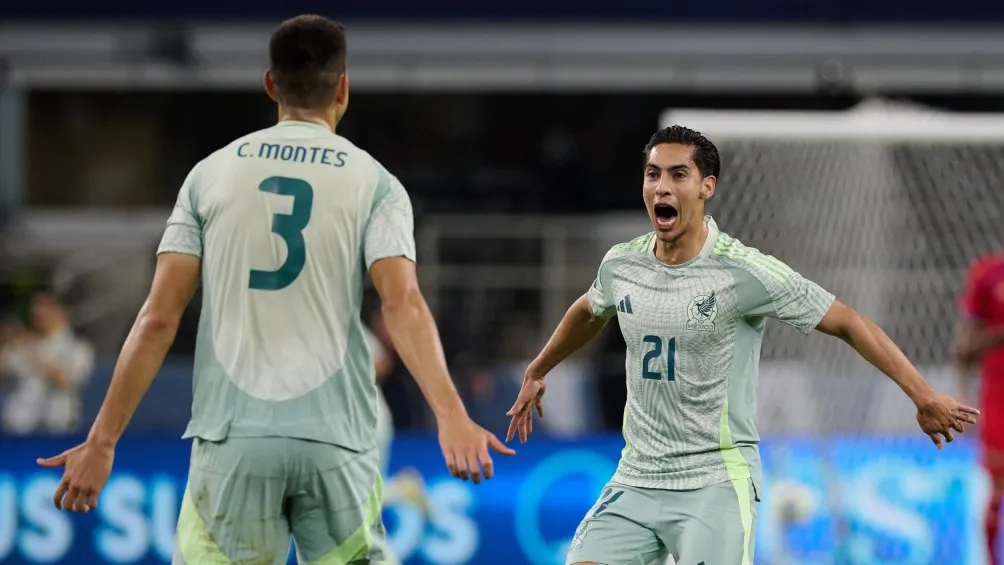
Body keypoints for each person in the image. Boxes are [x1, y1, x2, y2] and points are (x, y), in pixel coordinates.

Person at [36, 14, 513, 565]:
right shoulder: (376, 183)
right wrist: (451, 414)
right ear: (343, 88)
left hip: (235, 438)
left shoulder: (209, 175)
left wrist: (102, 441)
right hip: (336, 440)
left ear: (270, 85)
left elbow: (159, 318)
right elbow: (401, 303)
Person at [506, 125, 979, 565]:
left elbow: (849, 323)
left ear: (706, 187)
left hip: (714, 482)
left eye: (678, 175)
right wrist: (539, 369)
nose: (662, 187)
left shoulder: (746, 272)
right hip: (637, 477)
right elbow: (590, 311)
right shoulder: (621, 265)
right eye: (653, 175)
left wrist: (922, 395)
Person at [955, 253, 1004, 565]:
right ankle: (988, 559)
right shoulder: (988, 273)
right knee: (998, 485)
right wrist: (960, 398)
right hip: (998, 397)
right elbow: (963, 350)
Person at [2, 294, 94, 435]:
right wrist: (6, 341)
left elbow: (65, 380)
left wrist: (33, 353)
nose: (39, 314)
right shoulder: (22, 345)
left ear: (61, 312)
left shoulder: (78, 348)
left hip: (57, 430)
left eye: (46, 309)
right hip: (18, 429)